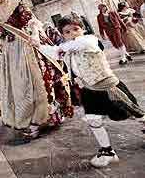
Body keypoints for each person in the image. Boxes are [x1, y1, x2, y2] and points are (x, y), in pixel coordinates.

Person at [40, 15, 144, 168]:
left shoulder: (89, 40)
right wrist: (38, 45)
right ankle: (108, 152)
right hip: (89, 90)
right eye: (67, 32)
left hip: (108, 87)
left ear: (83, 29)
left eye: (76, 29)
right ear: (62, 35)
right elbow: (55, 53)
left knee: (135, 113)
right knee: (93, 119)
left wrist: (57, 48)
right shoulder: (68, 48)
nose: (73, 34)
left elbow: (65, 48)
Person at [0, 0, 73, 138]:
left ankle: (44, 118)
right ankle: (28, 118)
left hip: (25, 45)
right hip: (10, 50)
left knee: (33, 81)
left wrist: (33, 35)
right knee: (18, 85)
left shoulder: (17, 2)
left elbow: (30, 20)